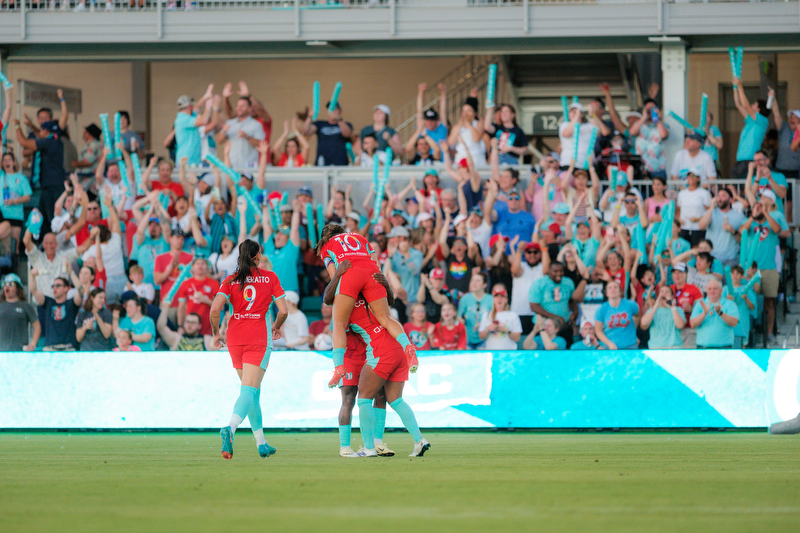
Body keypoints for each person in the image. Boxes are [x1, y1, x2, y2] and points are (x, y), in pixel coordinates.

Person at [324, 260, 431, 458]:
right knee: (395, 399)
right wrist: (385, 285)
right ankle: (419, 440)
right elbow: (388, 304)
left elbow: (329, 302)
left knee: (363, 399)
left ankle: (369, 448)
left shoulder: (345, 302)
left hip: (380, 350)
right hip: (397, 347)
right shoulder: (375, 296)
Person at [211, 239, 288, 459]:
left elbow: (215, 308)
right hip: (258, 338)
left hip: (235, 339)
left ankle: (261, 443)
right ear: (257, 256)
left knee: (252, 391)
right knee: (249, 390)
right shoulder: (270, 277)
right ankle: (230, 428)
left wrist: (216, 333)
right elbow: (283, 311)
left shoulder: (231, 279)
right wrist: (277, 326)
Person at [317, 225, 418, 387]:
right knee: (386, 318)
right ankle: (408, 347)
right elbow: (375, 262)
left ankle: (338, 367)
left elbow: (332, 274)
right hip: (372, 272)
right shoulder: (360, 238)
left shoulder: (326, 244)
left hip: (349, 273)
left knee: (339, 324)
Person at [741, 187, 789, 345]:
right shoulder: (749, 222)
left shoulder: (772, 218)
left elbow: (777, 229)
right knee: (750, 300)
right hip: (750, 269)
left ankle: (769, 332)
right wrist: (752, 216)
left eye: (761, 202)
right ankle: (751, 331)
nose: (759, 204)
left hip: (768, 268)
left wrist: (765, 213)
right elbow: (742, 231)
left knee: (769, 302)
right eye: (757, 203)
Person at [29, 269, 82, 351]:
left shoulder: (72, 303)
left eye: (58, 286)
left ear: (66, 288)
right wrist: (32, 276)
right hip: (50, 348)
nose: (54, 288)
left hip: (68, 348)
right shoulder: (48, 302)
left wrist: (71, 272)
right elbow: (33, 290)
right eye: (53, 286)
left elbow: (81, 291)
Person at [730, 76, 770, 181]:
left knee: (747, 190)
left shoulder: (762, 121)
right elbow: (738, 105)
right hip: (740, 160)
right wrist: (735, 88)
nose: (751, 105)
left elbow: (745, 105)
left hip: (751, 161)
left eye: (754, 104)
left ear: (759, 109)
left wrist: (740, 86)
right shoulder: (750, 121)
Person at [529, 260, 577, 345]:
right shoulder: (539, 284)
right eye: (555, 271)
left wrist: (575, 312)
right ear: (549, 271)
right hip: (544, 327)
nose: (558, 273)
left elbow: (571, 301)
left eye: (561, 271)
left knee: (566, 354)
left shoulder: (568, 282)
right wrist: (556, 318)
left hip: (564, 325)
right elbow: (534, 306)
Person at [261, 199, 302, 294]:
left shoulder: (291, 249)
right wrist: (264, 208)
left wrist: (296, 211)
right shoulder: (269, 247)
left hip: (288, 293)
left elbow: (295, 229)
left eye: (282, 234)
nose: (278, 236)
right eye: (277, 234)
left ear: (288, 238)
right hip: (269, 293)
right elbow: (266, 226)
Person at [697, 188, 746, 267]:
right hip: (711, 258)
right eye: (718, 196)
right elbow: (701, 226)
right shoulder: (710, 213)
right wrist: (712, 207)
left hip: (730, 259)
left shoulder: (739, 217)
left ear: (730, 199)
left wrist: (733, 231)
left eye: (723, 196)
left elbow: (743, 241)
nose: (720, 198)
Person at [218, 95, 265, 169]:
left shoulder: (256, 124)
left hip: (248, 167)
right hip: (231, 165)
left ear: (249, 109)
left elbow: (261, 144)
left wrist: (247, 136)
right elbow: (219, 141)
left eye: (242, 106)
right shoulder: (230, 123)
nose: (239, 108)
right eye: (238, 106)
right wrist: (224, 131)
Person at [176, 258, 220, 337]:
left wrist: (206, 300)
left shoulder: (214, 284)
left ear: (207, 266)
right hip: (190, 326)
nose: (200, 266)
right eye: (197, 264)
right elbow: (181, 306)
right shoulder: (185, 284)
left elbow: (221, 307)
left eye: (203, 263)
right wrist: (180, 325)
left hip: (208, 326)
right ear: (192, 266)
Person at [690, 279, 739, 349]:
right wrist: (704, 313)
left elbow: (734, 322)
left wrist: (720, 313)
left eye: (715, 288)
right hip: (703, 349)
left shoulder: (730, 304)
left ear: (721, 290)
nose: (712, 291)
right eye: (709, 289)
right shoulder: (700, 304)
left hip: (724, 349)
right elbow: (693, 324)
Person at [628, 96, 669, 178]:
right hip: (642, 169)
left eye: (653, 108)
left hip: (658, 169)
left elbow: (664, 135)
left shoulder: (663, 125)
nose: (650, 110)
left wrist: (657, 119)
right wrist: (644, 117)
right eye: (648, 108)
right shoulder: (639, 124)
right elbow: (632, 132)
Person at [0, 152, 33, 254]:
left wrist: (14, 201)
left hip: (15, 215)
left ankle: (15, 268)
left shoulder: (21, 178)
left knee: (15, 246)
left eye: (9, 159)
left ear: (14, 162)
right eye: (4, 160)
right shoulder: (1, 176)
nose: (7, 162)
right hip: (1, 215)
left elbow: (27, 196)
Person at [303, 101, 353, 166]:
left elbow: (347, 134)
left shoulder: (346, 124)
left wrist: (339, 120)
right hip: (322, 163)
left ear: (340, 111)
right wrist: (309, 117)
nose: (332, 111)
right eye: (330, 109)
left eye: (335, 109)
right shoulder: (320, 124)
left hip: (340, 163)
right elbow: (305, 132)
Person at [174, 87, 214, 166]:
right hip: (186, 162)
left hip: (192, 161)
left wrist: (205, 97)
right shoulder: (183, 119)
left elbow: (197, 107)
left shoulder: (188, 116)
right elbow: (203, 120)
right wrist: (209, 106)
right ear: (189, 106)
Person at [594, 281, 639, 350]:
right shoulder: (601, 309)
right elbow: (598, 331)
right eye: (610, 288)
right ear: (606, 293)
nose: (613, 289)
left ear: (620, 292)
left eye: (615, 287)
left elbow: (637, 316)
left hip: (631, 345)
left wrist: (634, 330)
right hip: (611, 347)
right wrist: (609, 343)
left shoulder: (631, 305)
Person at [0, 273, 40, 351]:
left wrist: (33, 344)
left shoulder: (25, 306)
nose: (6, 287)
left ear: (17, 288)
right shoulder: (1, 305)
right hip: (2, 352)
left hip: (20, 351)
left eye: (10, 284)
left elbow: (37, 326)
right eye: (5, 284)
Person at [640, 285, 685, 349]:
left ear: (672, 296)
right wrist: (655, 306)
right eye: (662, 292)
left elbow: (680, 325)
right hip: (655, 347)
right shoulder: (652, 310)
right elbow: (644, 323)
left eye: (667, 292)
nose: (664, 294)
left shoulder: (678, 310)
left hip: (674, 347)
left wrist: (672, 307)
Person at [478, 284, 522, 350]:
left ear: (506, 300)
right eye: (497, 296)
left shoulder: (513, 315)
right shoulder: (487, 315)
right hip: (491, 352)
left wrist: (507, 330)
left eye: (502, 297)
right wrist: (488, 329)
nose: (499, 299)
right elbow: (481, 336)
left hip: (508, 352)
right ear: (493, 299)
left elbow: (517, 338)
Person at [675, 168, 711, 247]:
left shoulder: (704, 193)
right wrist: (679, 219)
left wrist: (699, 219)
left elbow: (709, 210)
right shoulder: (682, 193)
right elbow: (678, 209)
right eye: (689, 176)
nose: (690, 178)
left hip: (698, 228)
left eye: (693, 176)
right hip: (684, 227)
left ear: (698, 178)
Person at [457, 270, 493, 349]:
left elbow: (494, 318)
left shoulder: (491, 299)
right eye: (472, 280)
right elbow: (458, 316)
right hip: (467, 339)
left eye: (478, 281)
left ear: (484, 285)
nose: (474, 283)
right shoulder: (465, 298)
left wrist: (482, 326)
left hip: (485, 339)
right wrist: (462, 320)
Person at [723, 265, 756, 349]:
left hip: (742, 322)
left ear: (742, 276)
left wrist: (746, 298)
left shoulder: (746, 289)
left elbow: (752, 307)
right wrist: (727, 299)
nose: (735, 276)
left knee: (741, 348)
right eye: (733, 273)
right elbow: (719, 306)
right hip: (727, 324)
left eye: (738, 274)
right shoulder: (724, 289)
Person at [772, 93, 799, 180]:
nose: (792, 119)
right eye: (791, 117)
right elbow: (776, 114)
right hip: (781, 170)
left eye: (795, 118)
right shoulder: (784, 127)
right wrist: (772, 98)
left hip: (797, 171)